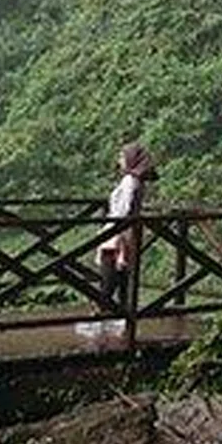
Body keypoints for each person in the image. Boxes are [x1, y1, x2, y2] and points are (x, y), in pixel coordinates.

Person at [85, 142, 154, 337]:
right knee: (122, 280)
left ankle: (100, 321)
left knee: (108, 279)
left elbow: (123, 211)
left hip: (117, 235)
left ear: (131, 160)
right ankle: (124, 322)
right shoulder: (136, 181)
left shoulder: (129, 182)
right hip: (126, 233)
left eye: (122, 157)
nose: (119, 161)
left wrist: (115, 235)